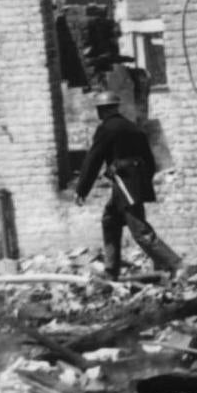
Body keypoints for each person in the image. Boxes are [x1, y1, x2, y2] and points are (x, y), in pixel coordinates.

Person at [72, 93, 160, 277]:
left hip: (124, 183)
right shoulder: (133, 127)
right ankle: (111, 270)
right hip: (130, 183)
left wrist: (81, 190)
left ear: (104, 109)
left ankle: (174, 264)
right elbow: (150, 162)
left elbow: (93, 159)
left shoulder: (107, 128)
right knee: (110, 220)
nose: (99, 112)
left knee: (139, 229)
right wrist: (142, 182)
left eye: (100, 109)